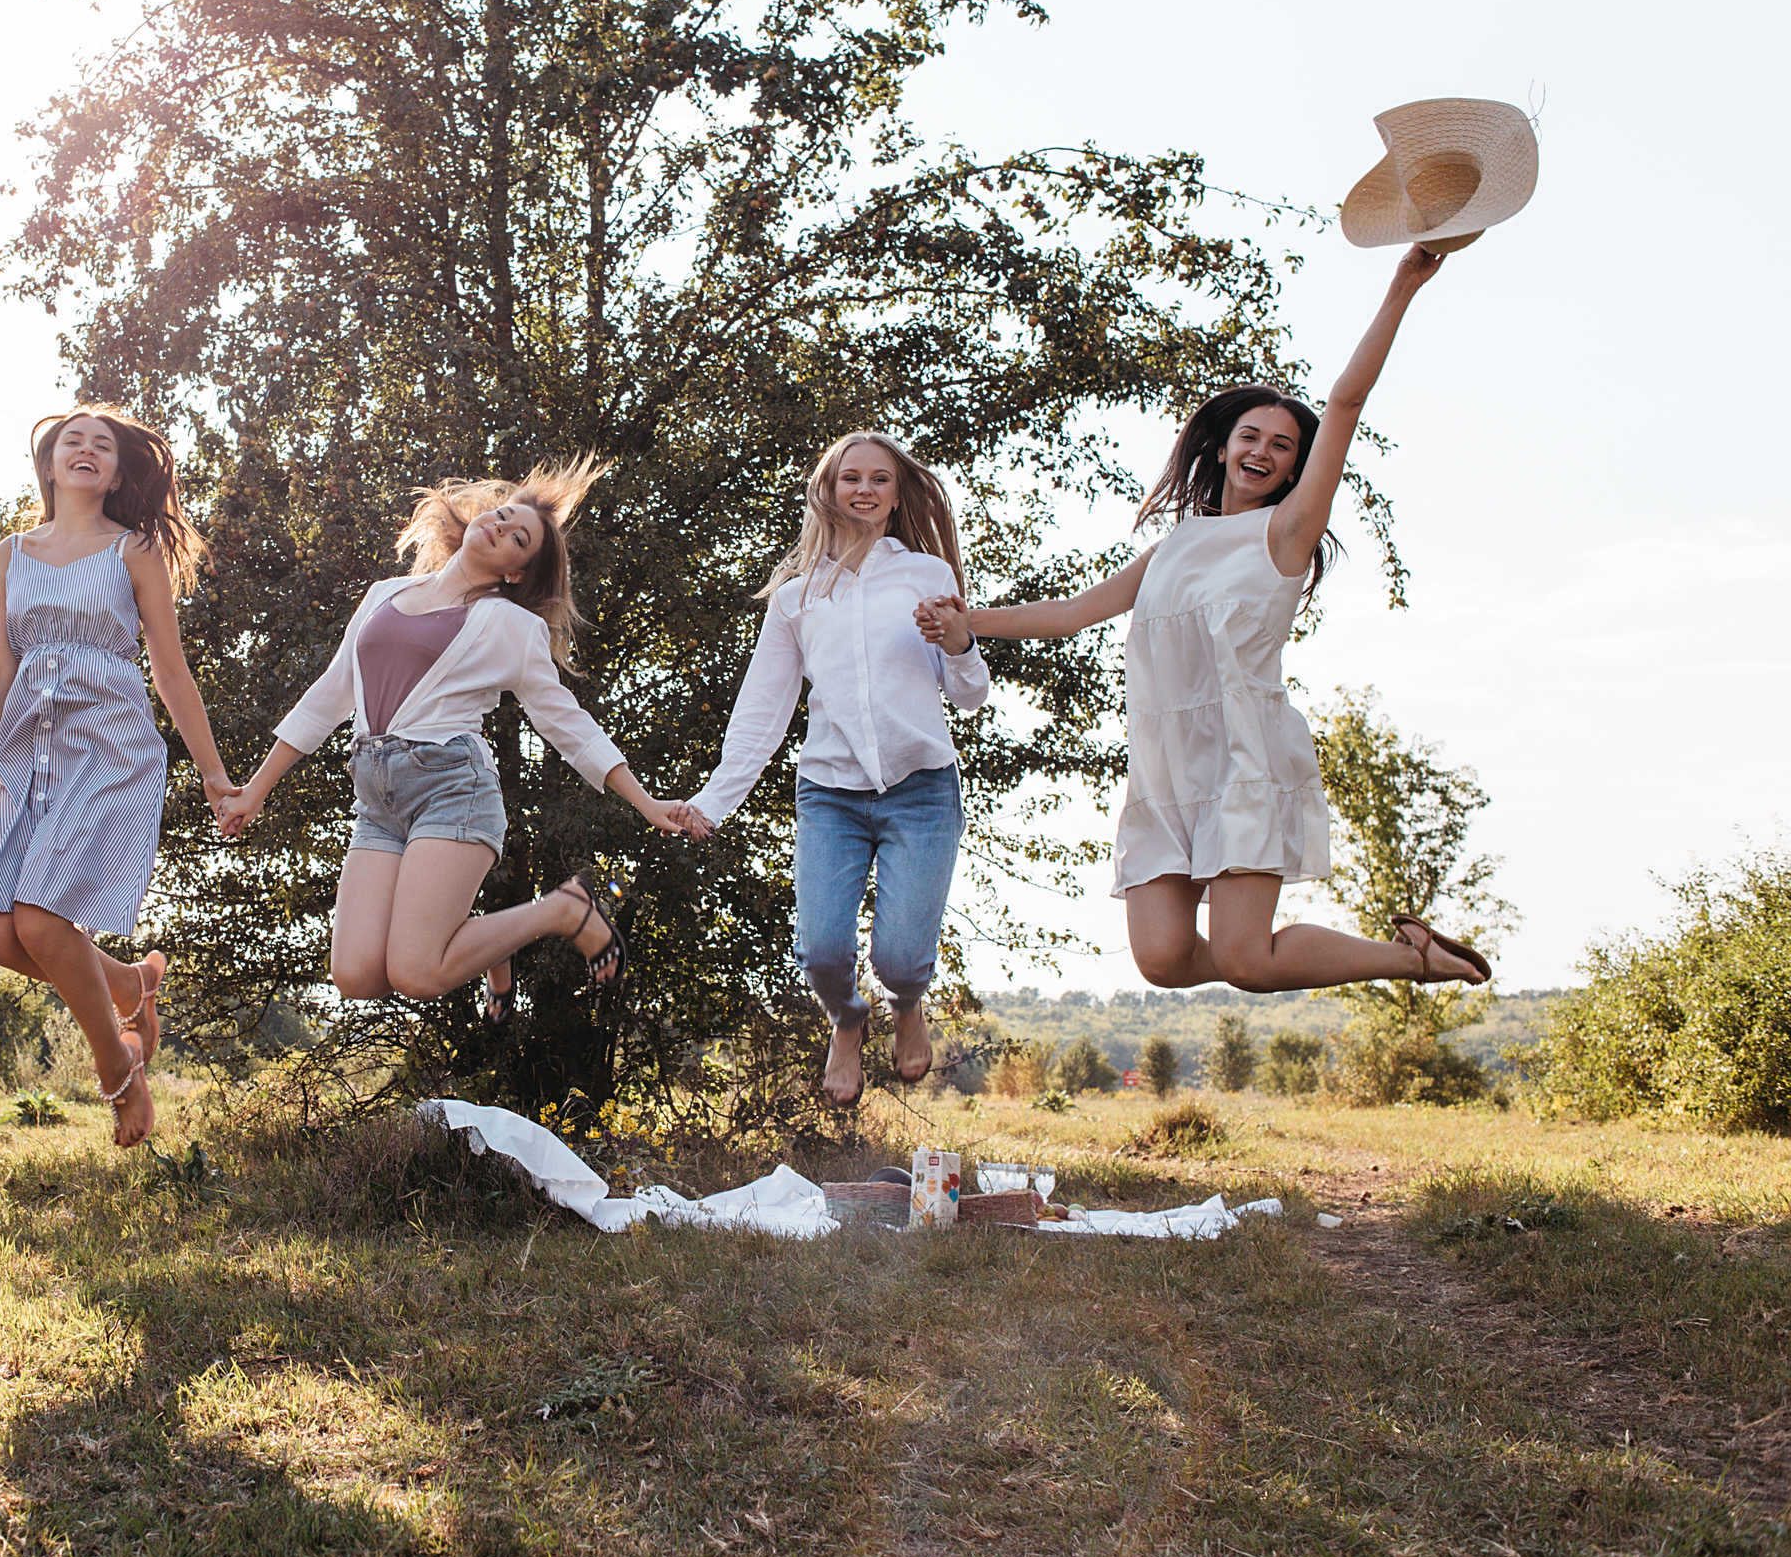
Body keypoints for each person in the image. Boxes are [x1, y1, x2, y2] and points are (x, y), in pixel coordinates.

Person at [922, 244, 1491, 995]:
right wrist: (968, 623)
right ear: (1223, 450)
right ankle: (1389, 950)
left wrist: (1403, 285)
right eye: (1250, 437)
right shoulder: (1175, 547)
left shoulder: (1286, 533)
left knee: (1247, 962)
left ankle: (1413, 958)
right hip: (1165, 764)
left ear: (1295, 470)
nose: (1263, 451)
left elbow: (1346, 405)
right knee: (1162, 960)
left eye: (1283, 446)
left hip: (1243, 757)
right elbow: (1073, 613)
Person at [215, 459, 693, 1015]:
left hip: (451, 790)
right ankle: (491, 940)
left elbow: (566, 722)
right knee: (355, 974)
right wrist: (256, 790)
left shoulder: (512, 627)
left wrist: (644, 800)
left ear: (517, 573)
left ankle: (564, 909)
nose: (500, 527)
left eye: (518, 538)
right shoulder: (384, 595)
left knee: (417, 973)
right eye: (502, 515)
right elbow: (328, 696)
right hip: (377, 800)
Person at [0, 406, 233, 1149]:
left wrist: (213, 773)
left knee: (41, 921)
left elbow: (170, 668)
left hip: (107, 744)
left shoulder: (134, 550)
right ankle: (130, 984)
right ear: (49, 464)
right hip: (25, 749)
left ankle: (119, 1071)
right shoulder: (11, 554)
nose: (87, 449)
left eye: (103, 445)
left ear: (117, 473)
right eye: (73, 440)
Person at [678, 432, 989, 1107]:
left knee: (901, 958)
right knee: (820, 951)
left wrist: (962, 642)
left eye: (880, 479)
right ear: (828, 489)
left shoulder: (927, 575)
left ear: (898, 495)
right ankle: (848, 1018)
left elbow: (968, 694)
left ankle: (905, 1002)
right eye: (852, 477)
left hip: (922, 789)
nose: (865, 489)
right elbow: (762, 709)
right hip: (831, 795)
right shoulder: (796, 599)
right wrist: (714, 800)